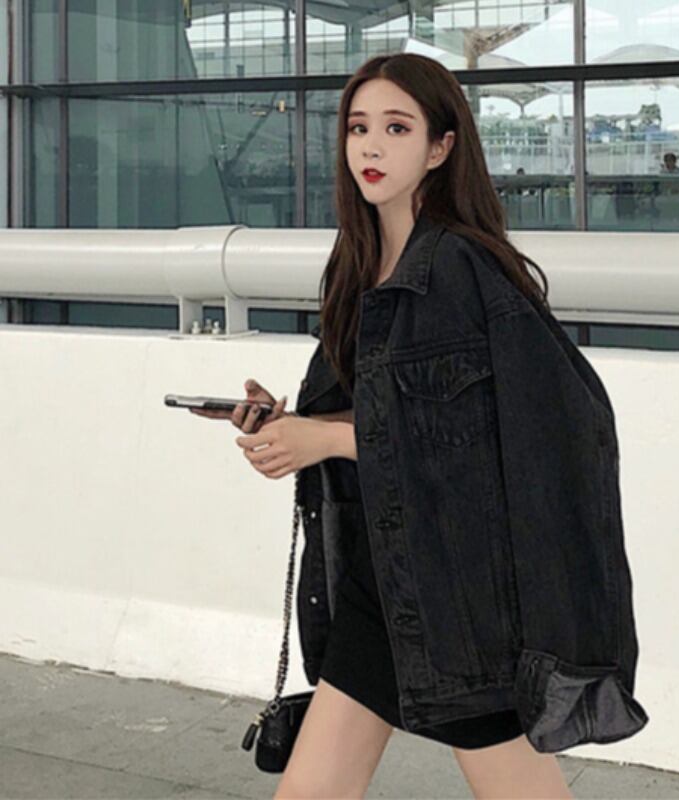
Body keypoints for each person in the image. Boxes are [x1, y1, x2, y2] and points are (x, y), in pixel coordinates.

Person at [191, 53, 577, 799]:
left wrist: (327, 440)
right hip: (381, 575)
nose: (370, 146)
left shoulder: (461, 267)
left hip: (455, 589)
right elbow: (398, 410)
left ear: (440, 147)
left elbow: (487, 437)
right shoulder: (360, 259)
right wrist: (293, 424)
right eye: (358, 127)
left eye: (397, 128)